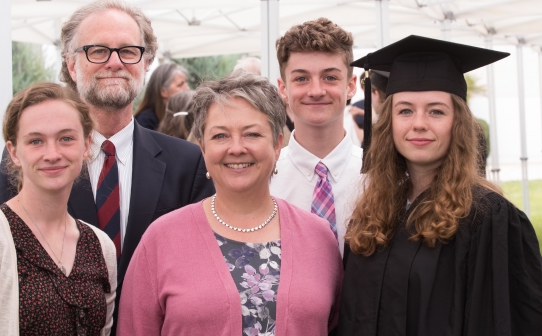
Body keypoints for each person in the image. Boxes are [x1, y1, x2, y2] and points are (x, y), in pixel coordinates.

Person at [0, 1, 215, 333]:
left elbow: (203, 271)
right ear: (70, 63)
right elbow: (1, 260)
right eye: (97, 50)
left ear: (147, 62)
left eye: (128, 51)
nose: (114, 62)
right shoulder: (35, 162)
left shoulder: (187, 163)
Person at [338, 35, 542, 335]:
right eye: (405, 110)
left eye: (436, 111)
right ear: (389, 123)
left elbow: (505, 321)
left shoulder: (489, 218)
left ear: (457, 123)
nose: (419, 123)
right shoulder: (373, 211)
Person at [118, 71, 343, 335]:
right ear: (202, 148)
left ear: (277, 144)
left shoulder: (318, 237)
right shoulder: (161, 239)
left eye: (252, 134)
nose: (236, 148)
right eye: (220, 136)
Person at [0, 83, 117, 335]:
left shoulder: (100, 246)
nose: (52, 154)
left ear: (86, 146)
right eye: (36, 141)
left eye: (66, 138)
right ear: (14, 152)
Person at [270, 18, 363, 255]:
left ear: (351, 85)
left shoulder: (380, 177)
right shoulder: (264, 180)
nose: (316, 91)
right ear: (283, 88)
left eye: (330, 77)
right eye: (301, 78)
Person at [135, 63, 190, 130]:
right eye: (180, 85)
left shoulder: (182, 114)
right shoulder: (146, 120)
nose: (187, 88)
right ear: (164, 91)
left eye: (186, 83)